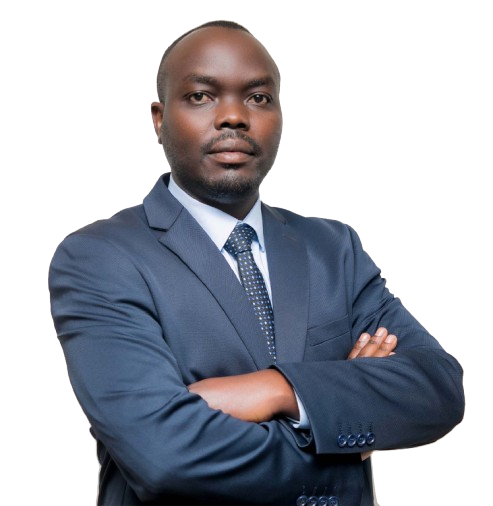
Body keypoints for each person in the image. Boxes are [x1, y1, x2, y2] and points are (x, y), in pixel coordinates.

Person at [48, 19, 465, 506]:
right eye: (201, 96)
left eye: (258, 97)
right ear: (159, 119)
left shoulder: (333, 247)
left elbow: (438, 387)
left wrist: (277, 390)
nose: (233, 117)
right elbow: (164, 455)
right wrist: (341, 423)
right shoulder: (98, 257)